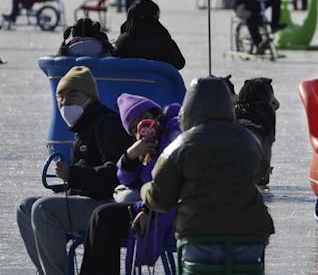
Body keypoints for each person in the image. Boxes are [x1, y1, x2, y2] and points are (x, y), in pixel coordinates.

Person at [141, 76, 274, 265]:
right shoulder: (249, 140)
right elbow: (261, 170)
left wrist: (144, 190)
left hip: (201, 242)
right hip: (250, 243)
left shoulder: (180, 146)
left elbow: (160, 199)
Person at [17, 66, 132, 275]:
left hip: (107, 206)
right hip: (88, 199)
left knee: (44, 210)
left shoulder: (105, 123)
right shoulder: (82, 128)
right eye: (60, 96)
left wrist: (74, 175)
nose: (65, 101)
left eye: (73, 94)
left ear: (89, 96)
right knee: (26, 207)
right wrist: (71, 180)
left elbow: (116, 174)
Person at [79, 93, 181, 274]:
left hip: (166, 209)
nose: (145, 129)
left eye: (145, 120)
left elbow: (171, 182)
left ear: (156, 115)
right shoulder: (147, 148)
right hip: (154, 205)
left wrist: (147, 209)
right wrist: (129, 158)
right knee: (101, 216)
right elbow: (128, 180)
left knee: (104, 217)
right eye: (136, 128)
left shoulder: (173, 133)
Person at [112, 0, 186, 70]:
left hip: (129, 82)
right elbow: (180, 63)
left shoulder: (123, 40)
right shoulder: (163, 40)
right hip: (158, 81)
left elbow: (115, 63)